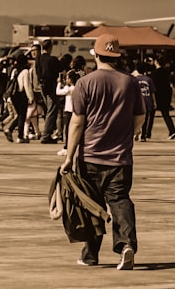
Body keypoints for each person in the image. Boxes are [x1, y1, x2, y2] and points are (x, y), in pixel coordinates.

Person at [60, 33, 144, 270]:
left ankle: (90, 255)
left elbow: (77, 122)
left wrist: (68, 156)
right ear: (116, 56)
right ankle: (126, 245)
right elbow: (140, 116)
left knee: (92, 206)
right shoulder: (130, 82)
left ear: (96, 54)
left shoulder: (85, 83)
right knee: (120, 201)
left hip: (90, 157)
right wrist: (129, 134)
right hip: (121, 157)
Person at [37, 40, 63, 144]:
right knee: (51, 111)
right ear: (50, 47)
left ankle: (48, 133)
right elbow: (60, 69)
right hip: (51, 87)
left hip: (42, 87)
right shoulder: (52, 59)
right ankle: (46, 135)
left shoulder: (38, 59)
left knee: (49, 110)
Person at [149, 56, 175, 140]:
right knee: (166, 115)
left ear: (156, 62)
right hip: (165, 96)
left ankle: (147, 133)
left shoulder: (154, 73)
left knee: (151, 115)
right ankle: (172, 131)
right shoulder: (167, 72)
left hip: (156, 96)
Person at [131, 62, 156, 141]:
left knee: (136, 118)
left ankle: (137, 131)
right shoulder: (148, 79)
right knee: (145, 119)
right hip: (147, 101)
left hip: (137, 101)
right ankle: (143, 136)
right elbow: (152, 92)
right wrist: (154, 102)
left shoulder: (134, 80)